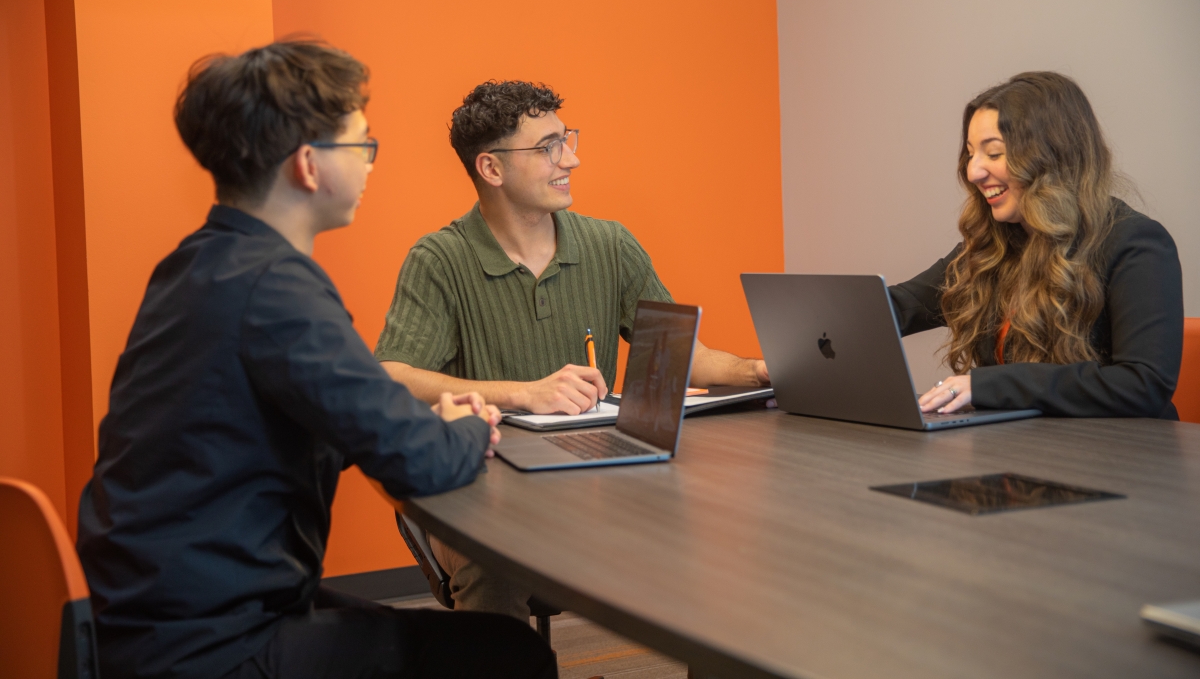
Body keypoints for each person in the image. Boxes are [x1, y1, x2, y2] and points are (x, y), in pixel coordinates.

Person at [76, 41, 557, 679]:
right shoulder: (275, 289)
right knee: (508, 653)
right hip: (210, 644)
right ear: (308, 165)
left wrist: (423, 426)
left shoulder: (199, 263)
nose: (369, 166)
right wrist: (470, 426)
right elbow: (420, 461)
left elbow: (360, 415)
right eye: (362, 147)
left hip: (151, 614)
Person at [374, 80, 769, 619]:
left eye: (568, 140)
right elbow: (392, 376)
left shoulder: (610, 243)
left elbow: (682, 356)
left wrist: (759, 370)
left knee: (711, 533)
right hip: (483, 487)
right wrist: (523, 394)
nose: (573, 160)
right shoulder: (438, 260)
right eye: (548, 148)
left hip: (593, 481)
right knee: (498, 559)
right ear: (491, 169)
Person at [889, 71, 1183, 419]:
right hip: (1020, 454)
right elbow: (897, 307)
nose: (973, 172)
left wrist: (990, 386)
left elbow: (1143, 384)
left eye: (994, 153)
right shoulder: (993, 247)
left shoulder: (1136, 244)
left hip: (1117, 462)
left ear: (1051, 157)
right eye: (971, 154)